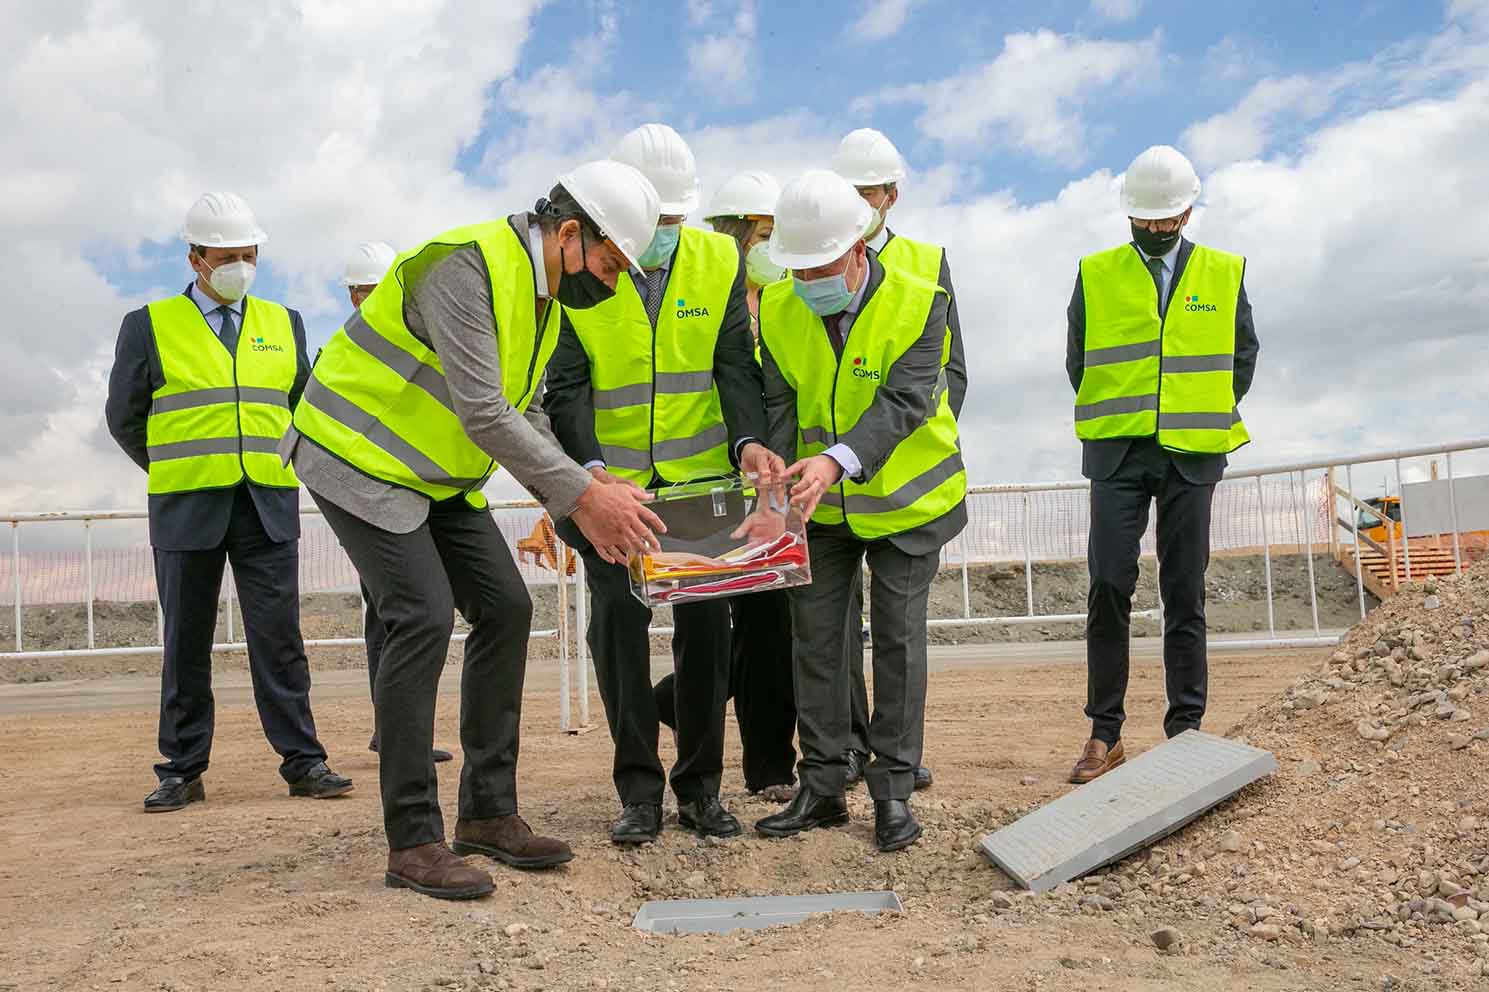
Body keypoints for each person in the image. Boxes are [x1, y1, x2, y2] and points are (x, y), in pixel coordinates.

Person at [281, 160, 668, 900]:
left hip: (432, 472)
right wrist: (581, 498)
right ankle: (413, 840)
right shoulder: (462, 268)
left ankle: (487, 814)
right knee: (420, 614)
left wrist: (585, 482)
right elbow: (483, 411)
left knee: (507, 607)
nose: (613, 283)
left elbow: (523, 408)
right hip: (355, 454)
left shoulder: (542, 296)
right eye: (611, 263)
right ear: (566, 232)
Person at [546, 124, 783, 845]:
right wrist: (588, 478)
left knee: (707, 641)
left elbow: (733, 363)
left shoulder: (717, 258)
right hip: (612, 494)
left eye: (674, 220)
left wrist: (745, 442)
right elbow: (566, 385)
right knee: (617, 632)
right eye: (654, 223)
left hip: (701, 485)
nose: (664, 234)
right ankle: (637, 792)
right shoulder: (580, 271)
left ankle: (701, 790)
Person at [106, 192, 352, 813]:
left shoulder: (283, 321)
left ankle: (304, 761)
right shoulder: (149, 324)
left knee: (279, 639)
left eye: (250, 255)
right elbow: (124, 418)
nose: (240, 266)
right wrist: (175, 468)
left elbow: (303, 410)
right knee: (185, 643)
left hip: (266, 504)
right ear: (195, 258)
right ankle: (182, 769)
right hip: (186, 508)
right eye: (227, 256)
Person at [753, 170, 965, 853]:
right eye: (798, 266)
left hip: (907, 503)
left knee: (898, 644)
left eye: (821, 265)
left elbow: (905, 401)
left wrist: (836, 459)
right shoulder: (782, 308)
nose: (809, 278)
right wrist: (778, 485)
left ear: (857, 249)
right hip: (819, 508)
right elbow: (782, 402)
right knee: (815, 643)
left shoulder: (917, 300)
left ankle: (893, 792)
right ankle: (819, 786)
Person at [1064, 145, 1259, 784]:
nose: (1153, 230)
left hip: (1190, 454)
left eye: (1164, 219)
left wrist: (1195, 411)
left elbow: (1242, 356)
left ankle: (1186, 732)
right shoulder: (1096, 272)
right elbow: (1078, 360)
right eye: (1142, 219)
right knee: (1108, 587)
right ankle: (1104, 734)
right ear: (1128, 214)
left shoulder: (1223, 272)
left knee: (1184, 590)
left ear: (1187, 210)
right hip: (1118, 453)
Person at [647, 171, 797, 803]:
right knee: (708, 625)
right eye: (761, 233)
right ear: (733, 230)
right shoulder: (711, 287)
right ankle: (682, 710)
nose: (770, 246)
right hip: (706, 474)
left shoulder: (791, 295)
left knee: (771, 621)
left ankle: (770, 766)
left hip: (768, 474)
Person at [832, 127, 967, 793]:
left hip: (904, 478)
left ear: (891, 194)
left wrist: (917, 439)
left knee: (896, 634)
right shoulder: (809, 267)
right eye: (850, 191)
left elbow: (951, 374)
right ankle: (850, 752)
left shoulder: (924, 260)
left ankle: (896, 762)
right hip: (830, 486)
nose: (861, 201)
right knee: (830, 633)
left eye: (870, 191)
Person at [339, 241, 454, 765]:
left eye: (377, 289)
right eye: (363, 291)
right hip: (371, 500)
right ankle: (394, 732)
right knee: (395, 617)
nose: (370, 299)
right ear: (350, 294)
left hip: (418, 497)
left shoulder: (418, 342)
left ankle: (402, 731)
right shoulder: (343, 351)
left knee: (404, 618)